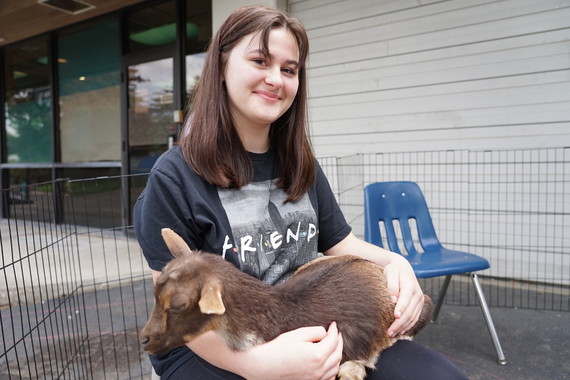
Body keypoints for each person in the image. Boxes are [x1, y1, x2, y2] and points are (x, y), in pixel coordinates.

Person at [134, 5, 467, 380]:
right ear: (222, 66)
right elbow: (177, 304)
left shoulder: (299, 164)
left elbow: (342, 245)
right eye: (260, 60)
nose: (276, 79)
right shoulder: (175, 175)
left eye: (289, 69)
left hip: (306, 327)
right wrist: (259, 366)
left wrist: (396, 263)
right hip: (214, 346)